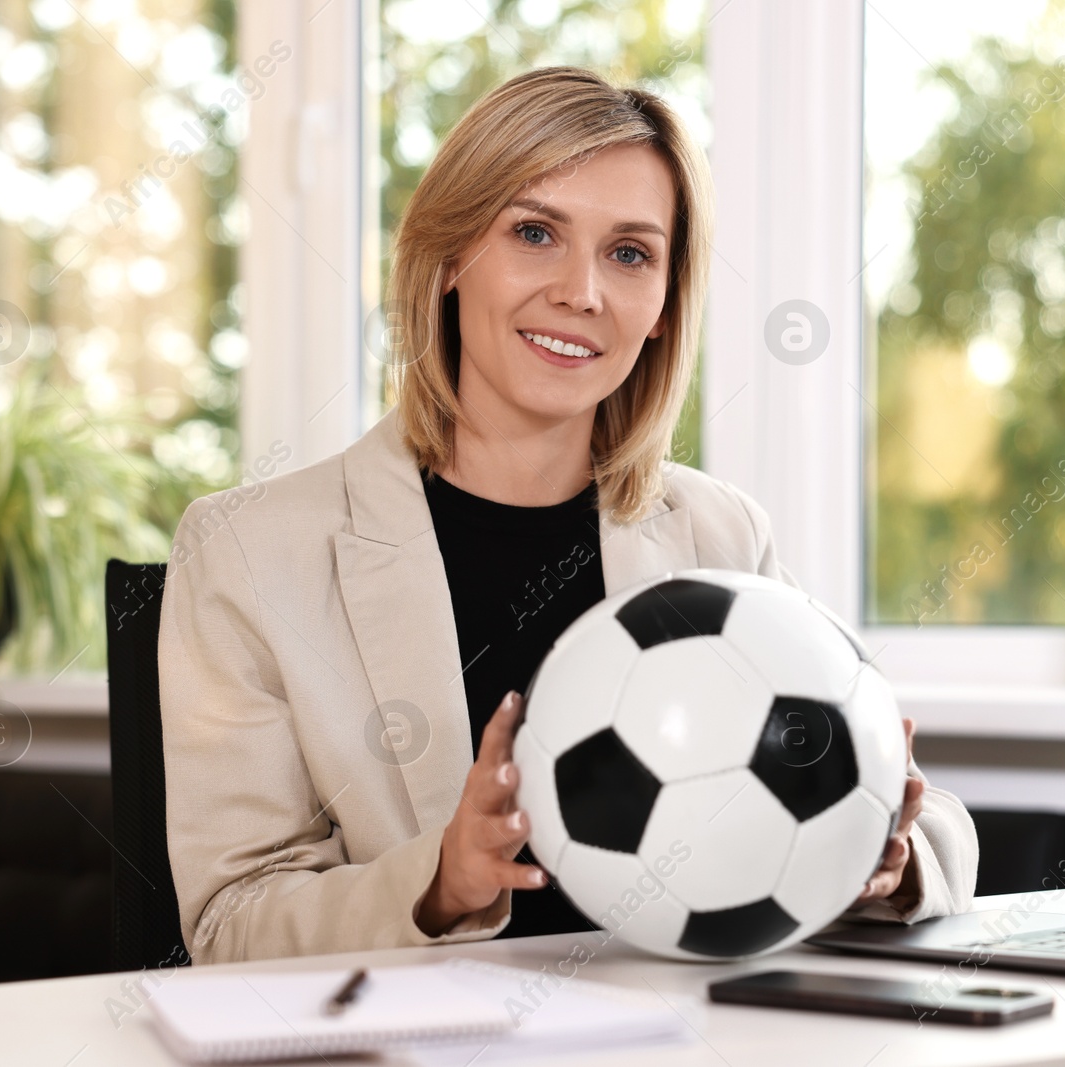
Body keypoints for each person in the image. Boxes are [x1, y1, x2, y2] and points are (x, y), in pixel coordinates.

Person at [159, 66, 978, 964]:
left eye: (630, 253)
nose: (581, 291)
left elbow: (919, 809)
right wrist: (442, 880)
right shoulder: (249, 551)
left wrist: (883, 859)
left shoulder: (721, 535)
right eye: (535, 233)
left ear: (666, 303)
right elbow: (231, 923)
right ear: (448, 260)